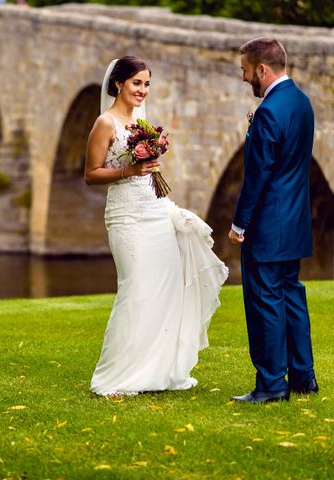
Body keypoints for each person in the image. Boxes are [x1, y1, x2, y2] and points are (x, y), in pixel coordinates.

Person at [85, 56, 228, 397]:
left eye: (147, 84)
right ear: (118, 83)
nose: (143, 90)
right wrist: (129, 171)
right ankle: (119, 374)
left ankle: (158, 370)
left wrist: (150, 164)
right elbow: (91, 175)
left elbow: (147, 171)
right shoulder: (105, 123)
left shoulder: (141, 121)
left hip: (154, 211)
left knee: (163, 289)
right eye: (137, 83)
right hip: (126, 217)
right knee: (135, 288)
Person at [229, 37, 318, 404]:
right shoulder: (301, 101)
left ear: (262, 70)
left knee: (265, 301)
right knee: (292, 297)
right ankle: (303, 377)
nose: (244, 77)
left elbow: (258, 175)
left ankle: (271, 384)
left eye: (246, 71)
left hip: (267, 225)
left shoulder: (268, 111)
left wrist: (239, 224)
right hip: (295, 221)